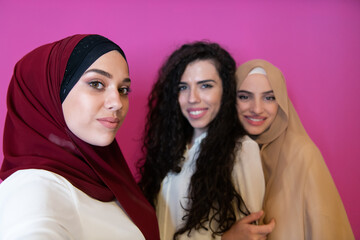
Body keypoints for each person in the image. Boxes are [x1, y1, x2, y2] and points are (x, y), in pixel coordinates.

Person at [0, 34, 159, 240]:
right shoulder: (34, 187)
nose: (117, 102)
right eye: (96, 84)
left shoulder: (103, 179)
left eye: (123, 89)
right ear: (51, 93)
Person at [138, 42, 275, 240]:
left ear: (225, 91)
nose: (192, 98)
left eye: (205, 86)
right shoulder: (170, 147)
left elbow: (251, 235)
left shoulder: (242, 150)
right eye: (183, 87)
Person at [236, 59, 355, 240]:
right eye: (244, 96)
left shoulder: (304, 155)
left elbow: (327, 229)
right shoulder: (223, 155)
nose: (257, 109)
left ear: (281, 102)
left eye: (269, 97)